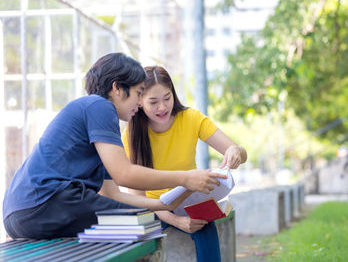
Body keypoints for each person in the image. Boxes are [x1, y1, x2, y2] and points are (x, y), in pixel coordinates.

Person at [2, 53, 226, 239]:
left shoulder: (98, 125)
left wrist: (159, 203)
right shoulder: (99, 106)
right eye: (139, 93)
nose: (140, 103)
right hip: (47, 203)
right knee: (143, 224)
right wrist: (185, 178)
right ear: (117, 88)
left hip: (20, 215)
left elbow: (112, 194)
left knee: (143, 218)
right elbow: (124, 175)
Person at [121, 66, 247, 262]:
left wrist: (235, 151)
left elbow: (239, 152)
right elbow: (138, 198)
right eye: (153, 102)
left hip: (188, 202)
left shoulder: (191, 118)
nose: (162, 107)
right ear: (139, 101)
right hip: (153, 208)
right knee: (137, 241)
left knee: (206, 229)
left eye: (167, 98)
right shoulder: (130, 135)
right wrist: (175, 220)